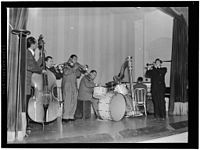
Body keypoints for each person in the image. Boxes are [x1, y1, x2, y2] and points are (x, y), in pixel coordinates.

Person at [25, 36, 46, 135]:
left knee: (27, 102)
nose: (37, 45)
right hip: (26, 82)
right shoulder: (28, 53)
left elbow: (35, 65)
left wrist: (42, 55)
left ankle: (27, 122)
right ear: (32, 44)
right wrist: (41, 70)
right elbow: (31, 66)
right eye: (36, 44)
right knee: (25, 103)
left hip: (29, 82)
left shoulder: (30, 53)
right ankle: (25, 124)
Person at [61, 54, 84, 122]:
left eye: (76, 59)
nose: (76, 61)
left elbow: (78, 75)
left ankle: (71, 115)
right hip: (67, 84)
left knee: (74, 100)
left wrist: (79, 69)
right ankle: (65, 117)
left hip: (74, 84)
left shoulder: (76, 65)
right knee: (67, 100)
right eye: (74, 59)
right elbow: (65, 72)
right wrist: (74, 68)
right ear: (71, 59)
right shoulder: (66, 64)